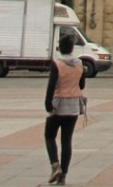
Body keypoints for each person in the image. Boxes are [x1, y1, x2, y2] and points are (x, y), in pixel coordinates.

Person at [44, 34, 86, 185]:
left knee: (49, 136)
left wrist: (48, 105)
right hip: (73, 105)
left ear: (60, 48)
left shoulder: (57, 63)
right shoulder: (79, 63)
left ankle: (55, 165)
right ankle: (63, 176)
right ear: (72, 48)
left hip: (58, 104)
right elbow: (82, 85)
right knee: (66, 140)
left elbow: (51, 86)